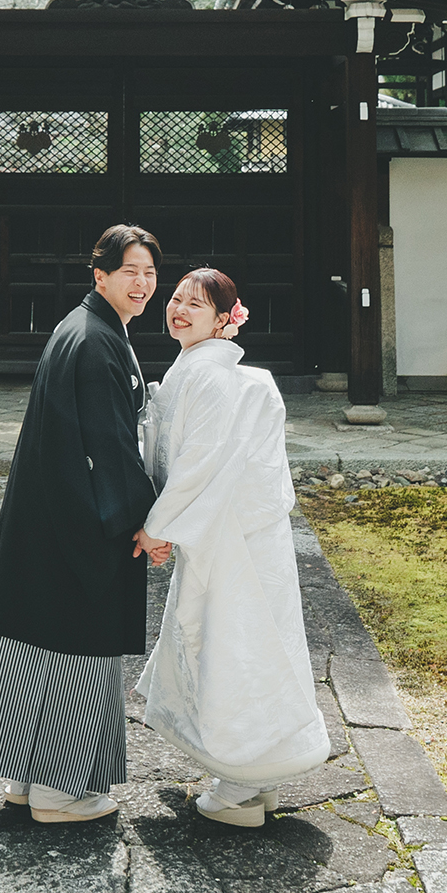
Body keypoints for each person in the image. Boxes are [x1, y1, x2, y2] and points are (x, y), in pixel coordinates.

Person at [0, 223, 170, 823]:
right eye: (130, 271)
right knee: (76, 648)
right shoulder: (99, 341)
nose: (142, 283)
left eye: (150, 273)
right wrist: (139, 519)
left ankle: (25, 779)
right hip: (80, 521)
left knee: (35, 643)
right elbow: (110, 445)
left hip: (49, 513)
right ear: (99, 274)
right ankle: (64, 791)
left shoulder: (82, 330)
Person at [138, 267, 330, 827]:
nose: (179, 309)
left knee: (230, 646)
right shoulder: (206, 370)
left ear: (225, 319)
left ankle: (240, 788)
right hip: (237, 533)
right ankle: (257, 779)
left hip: (232, 537)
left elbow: (201, 463)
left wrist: (159, 526)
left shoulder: (212, 377)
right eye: (176, 299)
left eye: (195, 304)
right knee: (251, 640)